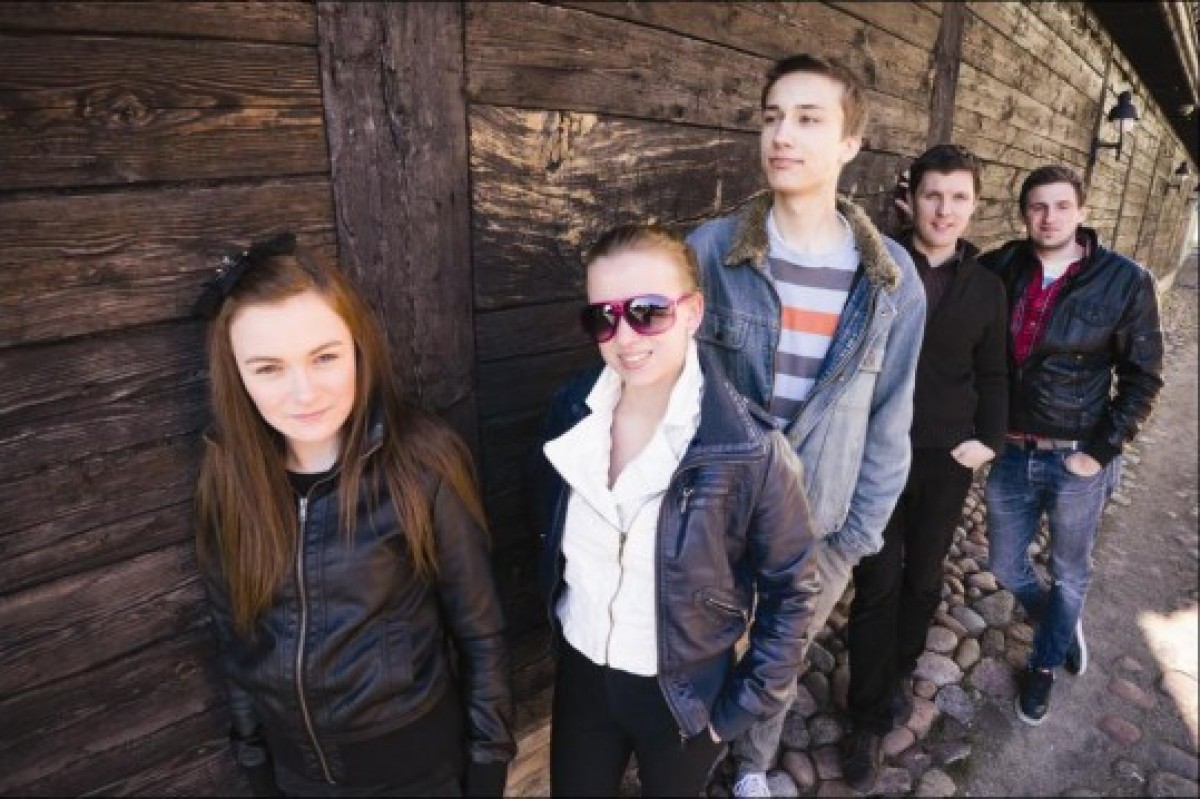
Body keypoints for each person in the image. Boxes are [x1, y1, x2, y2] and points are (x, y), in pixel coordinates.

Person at [192, 234, 515, 796]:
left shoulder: (420, 465)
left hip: (416, 774)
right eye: (268, 368)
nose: (303, 392)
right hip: (296, 778)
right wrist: (255, 761)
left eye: (324, 357)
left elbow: (480, 632)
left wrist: (488, 767)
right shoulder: (230, 483)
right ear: (236, 376)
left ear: (358, 348)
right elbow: (234, 639)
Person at [685, 54, 926, 797]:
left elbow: (890, 421)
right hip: (715, 520)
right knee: (700, 654)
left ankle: (753, 765)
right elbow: (675, 390)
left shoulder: (890, 279)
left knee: (779, 661)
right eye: (772, 117)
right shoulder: (710, 253)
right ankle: (687, 765)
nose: (781, 135)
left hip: (818, 526)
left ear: (850, 142)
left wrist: (853, 540)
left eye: (808, 119)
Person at [533, 224, 821, 797]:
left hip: (685, 695)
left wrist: (736, 710)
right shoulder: (572, 411)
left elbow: (792, 592)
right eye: (603, 316)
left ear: (692, 311)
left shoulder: (749, 449)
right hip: (583, 674)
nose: (624, 335)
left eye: (647, 311)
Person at [838, 144, 1008, 791]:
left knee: (924, 576)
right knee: (878, 577)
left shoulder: (986, 287)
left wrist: (988, 440)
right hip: (876, 452)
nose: (944, 209)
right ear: (910, 198)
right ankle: (866, 718)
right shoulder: (877, 265)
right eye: (934, 194)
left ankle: (899, 671)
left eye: (958, 197)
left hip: (945, 457)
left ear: (974, 205)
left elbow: (994, 374)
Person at [980, 165, 1163, 726]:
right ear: (1023, 213)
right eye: (1037, 206)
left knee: (1068, 571)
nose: (1049, 217)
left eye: (1061, 206)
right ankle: (1059, 624)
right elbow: (950, 278)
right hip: (1011, 449)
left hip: (1076, 455)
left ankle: (1043, 665)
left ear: (1082, 211)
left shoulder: (1124, 280)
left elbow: (1143, 377)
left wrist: (1099, 452)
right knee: (1004, 564)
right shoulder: (1002, 265)